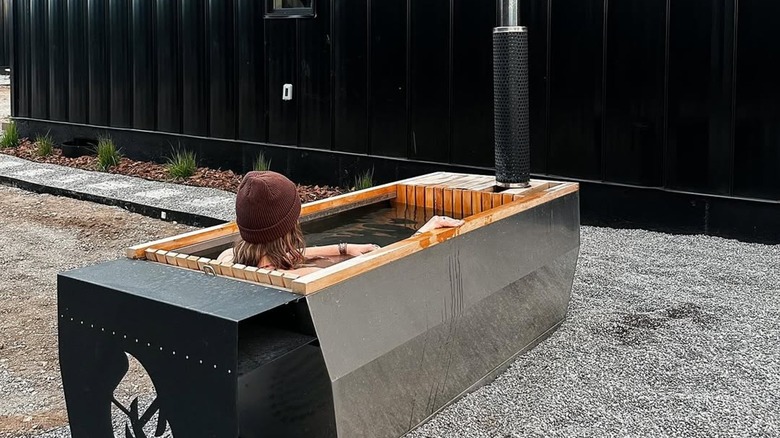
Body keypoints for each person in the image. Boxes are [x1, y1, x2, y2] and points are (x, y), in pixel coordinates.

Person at [217, 171, 464, 276]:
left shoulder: (228, 258)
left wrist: (343, 248)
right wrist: (422, 233)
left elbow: (288, 256)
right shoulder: (307, 275)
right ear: (288, 225)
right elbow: (381, 266)